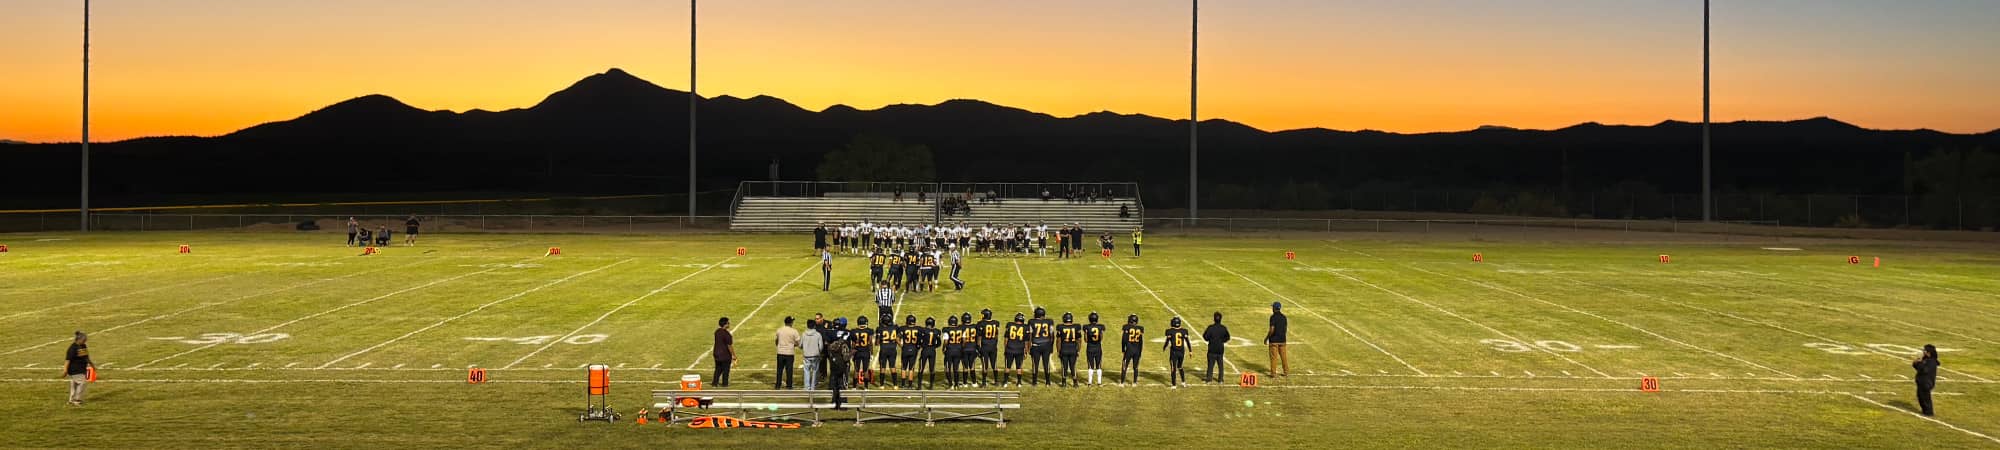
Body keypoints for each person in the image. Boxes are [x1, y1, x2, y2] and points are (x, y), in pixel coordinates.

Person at [827, 318, 852, 408]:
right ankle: (843, 402)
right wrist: (852, 352)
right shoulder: (847, 336)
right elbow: (846, 356)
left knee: (833, 382)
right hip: (843, 364)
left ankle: (834, 402)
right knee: (843, 383)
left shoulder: (831, 335)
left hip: (834, 363)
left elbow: (828, 345)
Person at [64, 331, 94, 406]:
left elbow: (86, 357)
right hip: (74, 369)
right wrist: (65, 370)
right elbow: (67, 360)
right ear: (78, 339)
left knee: (74, 384)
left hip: (82, 368)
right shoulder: (72, 348)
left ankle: (71, 400)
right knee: (82, 382)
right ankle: (77, 400)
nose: (85, 341)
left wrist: (92, 364)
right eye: (84, 340)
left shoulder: (83, 346)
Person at [1028, 307, 1056, 386]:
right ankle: (1048, 382)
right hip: (1046, 345)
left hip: (1035, 345)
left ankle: (1034, 382)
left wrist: (1029, 346)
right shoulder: (1049, 321)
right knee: (1046, 363)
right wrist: (1051, 346)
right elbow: (1052, 335)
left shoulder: (1031, 321)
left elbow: (1030, 335)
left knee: (1035, 364)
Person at [1202, 312, 1231, 383]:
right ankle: (1220, 379)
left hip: (1212, 348)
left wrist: (1210, 340)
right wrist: (1222, 341)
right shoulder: (1223, 328)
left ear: (1214, 319)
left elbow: (1205, 336)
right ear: (1221, 319)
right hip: (1220, 349)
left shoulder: (1210, 328)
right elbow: (1228, 337)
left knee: (1210, 364)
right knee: (1220, 365)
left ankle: (1209, 379)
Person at [1164, 317, 1191, 388]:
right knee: (1180, 367)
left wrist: (1164, 347)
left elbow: (1167, 341)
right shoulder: (1184, 331)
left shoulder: (1169, 331)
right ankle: (1183, 382)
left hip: (1174, 352)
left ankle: (1174, 385)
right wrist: (1190, 351)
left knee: (1173, 368)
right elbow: (1187, 341)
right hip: (1182, 352)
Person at [1003, 312, 1029, 386]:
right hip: (1020, 350)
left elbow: (1006, 339)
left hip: (1010, 349)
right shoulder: (1025, 327)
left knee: (1007, 366)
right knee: (1019, 367)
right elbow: (1026, 342)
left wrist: (1005, 348)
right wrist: (1026, 351)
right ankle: (1019, 382)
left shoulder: (1009, 325)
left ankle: (1005, 382)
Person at [1914, 344, 1940, 416]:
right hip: (1922, 381)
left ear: (1929, 352)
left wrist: (1919, 363)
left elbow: (1924, 370)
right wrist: (1916, 363)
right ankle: (1925, 411)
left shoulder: (1931, 361)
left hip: (1926, 382)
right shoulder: (1925, 359)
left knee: (1925, 398)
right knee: (1920, 396)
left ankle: (1929, 412)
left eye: (1925, 350)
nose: (1923, 351)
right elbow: (1919, 368)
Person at [774, 317, 800, 389]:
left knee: (779, 370)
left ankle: (778, 385)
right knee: (789, 370)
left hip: (780, 353)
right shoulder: (794, 331)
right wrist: (793, 345)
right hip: (789, 353)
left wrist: (779, 346)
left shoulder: (779, 330)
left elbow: (776, 340)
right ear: (791, 323)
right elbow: (798, 342)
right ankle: (789, 385)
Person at [1057, 312, 1082, 386]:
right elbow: (1079, 340)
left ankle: (1064, 382)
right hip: (1073, 349)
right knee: (1073, 366)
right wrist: (1078, 350)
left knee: (1064, 366)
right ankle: (1075, 382)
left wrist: (1058, 351)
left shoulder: (1060, 327)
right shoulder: (1076, 326)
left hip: (1064, 348)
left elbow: (1058, 341)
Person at [875, 313, 900, 389]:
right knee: (892, 366)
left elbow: (877, 343)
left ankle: (882, 385)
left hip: (884, 349)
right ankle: (895, 385)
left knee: (883, 367)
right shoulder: (895, 327)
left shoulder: (880, 329)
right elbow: (898, 337)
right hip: (892, 349)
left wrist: (878, 340)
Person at [1120, 314, 1144, 386]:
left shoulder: (1126, 327)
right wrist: (1140, 351)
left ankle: (1122, 382)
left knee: (1124, 365)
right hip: (1137, 350)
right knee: (1135, 367)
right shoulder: (1140, 328)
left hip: (1129, 349)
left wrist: (1123, 349)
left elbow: (1124, 339)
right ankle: (1134, 382)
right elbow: (1141, 341)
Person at [1266, 302, 1290, 377]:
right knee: (1284, 357)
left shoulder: (1273, 317)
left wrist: (1267, 338)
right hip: (1282, 340)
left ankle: (1273, 373)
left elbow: (1272, 329)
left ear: (1274, 308)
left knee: (1273, 357)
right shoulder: (1284, 317)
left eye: (1272, 307)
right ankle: (1286, 371)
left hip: (1274, 341)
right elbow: (1285, 328)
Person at [899, 315, 923, 388]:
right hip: (914, 349)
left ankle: (903, 384)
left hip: (905, 349)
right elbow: (922, 338)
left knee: (903, 367)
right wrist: (919, 345)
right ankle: (910, 385)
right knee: (911, 368)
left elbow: (897, 338)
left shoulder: (903, 328)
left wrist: (901, 345)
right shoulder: (919, 329)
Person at [1084, 312, 1107, 386]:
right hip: (1098, 348)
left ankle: (1090, 382)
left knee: (1090, 366)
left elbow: (1086, 340)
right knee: (1099, 365)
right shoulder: (1100, 326)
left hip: (1090, 348)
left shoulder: (1086, 327)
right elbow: (1101, 338)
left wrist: (1085, 333)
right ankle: (1099, 382)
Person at [851, 316, 874, 389]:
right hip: (866, 352)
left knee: (856, 370)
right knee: (866, 370)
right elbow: (870, 343)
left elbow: (853, 344)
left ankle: (854, 387)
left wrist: (852, 352)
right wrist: (872, 353)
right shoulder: (869, 330)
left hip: (857, 352)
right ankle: (866, 387)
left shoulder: (854, 331)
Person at [977, 309, 1000, 385]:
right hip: (993, 346)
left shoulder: (981, 324)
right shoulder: (995, 323)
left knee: (984, 365)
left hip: (985, 347)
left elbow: (979, 338)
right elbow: (997, 336)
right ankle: (996, 381)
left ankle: (984, 383)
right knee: (994, 364)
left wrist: (978, 348)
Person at [919, 316, 941, 389]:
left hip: (925, 350)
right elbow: (939, 343)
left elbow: (919, 340)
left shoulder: (923, 330)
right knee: (932, 368)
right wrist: (934, 346)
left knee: (921, 368)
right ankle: (931, 385)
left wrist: (922, 345)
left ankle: (919, 386)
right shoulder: (936, 331)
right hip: (932, 351)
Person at [713, 317, 736, 387]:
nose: (729, 324)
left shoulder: (717, 331)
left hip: (716, 353)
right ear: (725, 324)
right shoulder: (727, 334)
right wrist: (734, 355)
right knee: (726, 370)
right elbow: (729, 346)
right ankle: (725, 384)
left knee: (718, 369)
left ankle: (715, 383)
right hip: (725, 355)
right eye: (728, 323)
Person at [943, 315, 963, 388]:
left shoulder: (946, 330)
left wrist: (943, 348)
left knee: (947, 367)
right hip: (958, 350)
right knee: (956, 368)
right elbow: (964, 340)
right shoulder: (961, 329)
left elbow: (945, 341)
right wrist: (961, 347)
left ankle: (950, 384)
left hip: (950, 350)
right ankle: (956, 384)